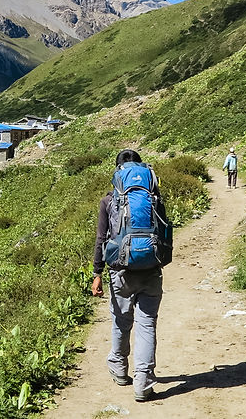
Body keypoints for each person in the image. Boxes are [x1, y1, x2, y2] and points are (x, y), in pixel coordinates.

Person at [91, 149, 163, 402]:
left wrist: (96, 273)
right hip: (151, 269)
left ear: (117, 171)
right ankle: (143, 383)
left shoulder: (109, 201)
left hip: (120, 269)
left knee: (121, 321)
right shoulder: (154, 197)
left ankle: (120, 370)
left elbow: (101, 238)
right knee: (147, 324)